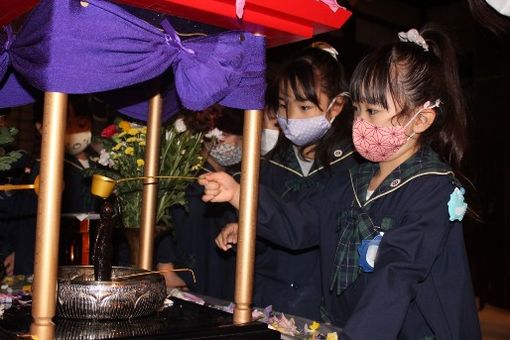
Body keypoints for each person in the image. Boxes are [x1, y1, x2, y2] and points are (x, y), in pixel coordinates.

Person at [201, 24, 481, 339]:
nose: (360, 122)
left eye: (373, 111)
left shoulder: (433, 188)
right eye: (358, 109)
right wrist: (242, 195)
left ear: (422, 119)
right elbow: (302, 222)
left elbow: (396, 276)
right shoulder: (354, 177)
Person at [223, 43, 358, 320]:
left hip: (324, 310)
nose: (291, 117)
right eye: (284, 105)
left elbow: (304, 227)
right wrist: (244, 230)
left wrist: (246, 201)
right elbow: (267, 244)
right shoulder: (272, 163)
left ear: (337, 105)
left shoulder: (353, 166)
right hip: (270, 303)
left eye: (305, 106)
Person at [155, 106, 243, 301]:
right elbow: (166, 222)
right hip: (189, 278)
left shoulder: (234, 179)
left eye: (241, 137)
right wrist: (166, 265)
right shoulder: (185, 176)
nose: (237, 143)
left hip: (217, 276)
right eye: (227, 135)